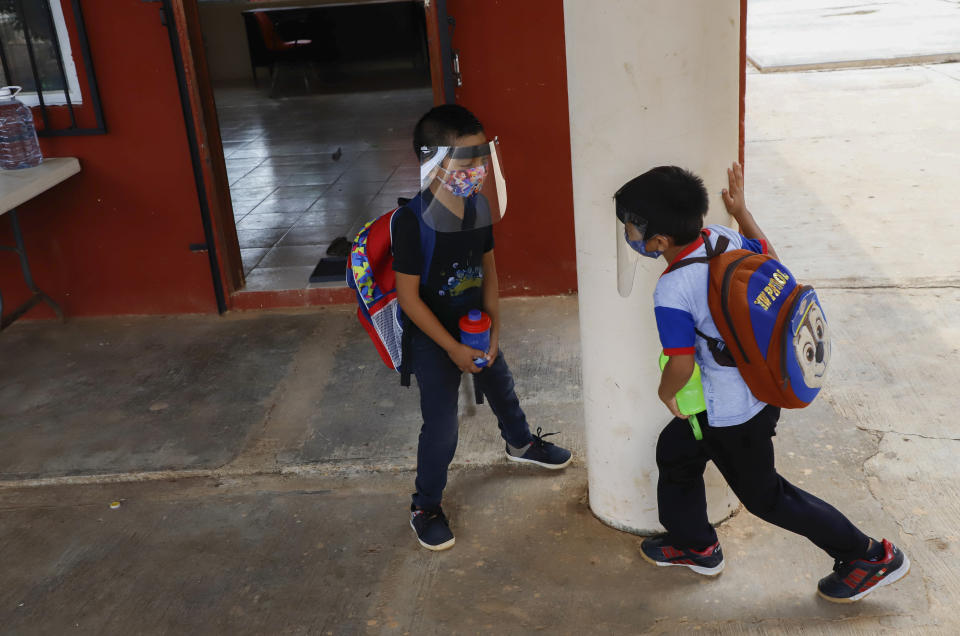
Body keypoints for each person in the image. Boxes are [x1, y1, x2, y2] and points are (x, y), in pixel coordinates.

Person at [613, 162, 909, 603]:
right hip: (760, 384)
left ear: (660, 241)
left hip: (729, 412)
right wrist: (742, 211)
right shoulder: (720, 236)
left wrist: (665, 393)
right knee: (676, 451)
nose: (631, 240)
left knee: (767, 497)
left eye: (633, 232)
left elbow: (679, 363)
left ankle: (867, 556)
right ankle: (695, 544)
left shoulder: (672, 289)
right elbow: (770, 260)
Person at [393, 104, 572, 551]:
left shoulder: (479, 206)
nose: (477, 168)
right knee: (442, 427)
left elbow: (489, 273)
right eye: (466, 158)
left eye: (480, 156)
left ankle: (521, 444)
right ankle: (425, 505)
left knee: (502, 385)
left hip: (476, 326)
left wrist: (491, 333)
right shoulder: (410, 223)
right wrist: (452, 348)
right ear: (431, 161)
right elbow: (409, 299)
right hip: (434, 339)